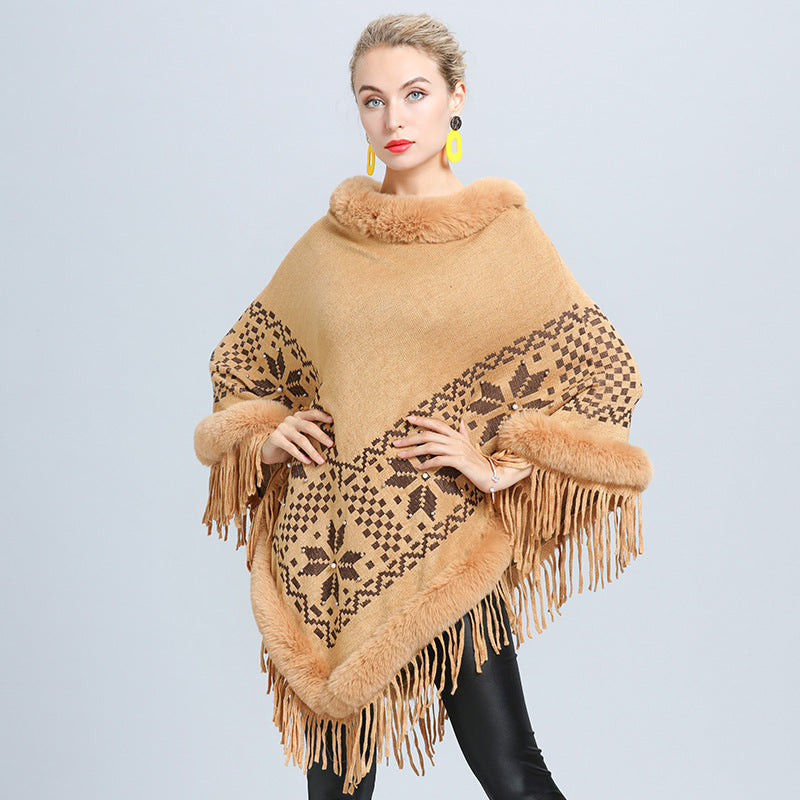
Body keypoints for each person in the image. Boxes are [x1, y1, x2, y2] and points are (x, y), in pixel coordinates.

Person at [193, 12, 653, 800]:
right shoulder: (327, 248)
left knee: (512, 775)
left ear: (455, 98)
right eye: (372, 100)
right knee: (337, 792)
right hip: (335, 549)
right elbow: (241, 364)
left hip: (449, 542)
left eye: (414, 94)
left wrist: (501, 464)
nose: (393, 119)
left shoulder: (503, 237)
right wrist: (264, 435)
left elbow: (606, 371)